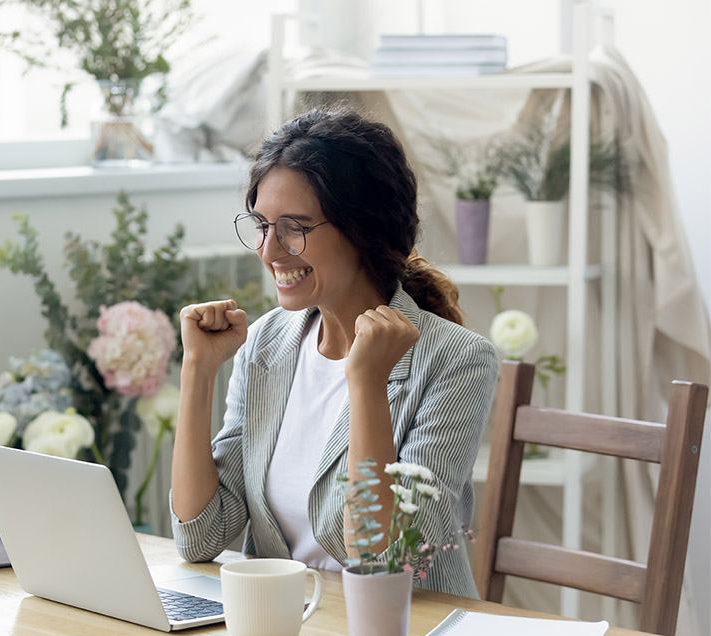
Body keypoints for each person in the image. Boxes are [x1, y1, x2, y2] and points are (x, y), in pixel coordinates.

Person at [169, 108, 499, 598]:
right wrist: (197, 371)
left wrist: (366, 385)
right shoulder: (266, 343)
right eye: (262, 225)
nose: (269, 251)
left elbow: (387, 560)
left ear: (363, 230)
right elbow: (200, 536)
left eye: (294, 228)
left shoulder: (457, 360)